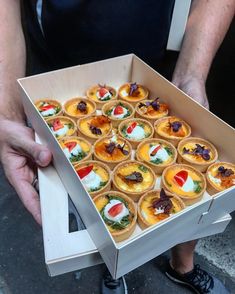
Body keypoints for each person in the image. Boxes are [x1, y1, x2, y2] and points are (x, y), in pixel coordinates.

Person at [0, 1, 234, 293]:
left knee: (194, 207)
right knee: (82, 198)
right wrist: (7, 113)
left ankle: (182, 265)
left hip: (148, 65)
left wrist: (192, 75)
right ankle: (113, 265)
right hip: (58, 67)